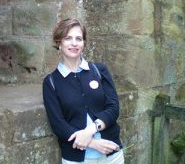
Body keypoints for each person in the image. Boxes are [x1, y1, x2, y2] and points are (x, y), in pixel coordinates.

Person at [43, 18, 124, 164]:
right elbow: (58, 124)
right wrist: (92, 143)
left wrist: (90, 130)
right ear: (58, 43)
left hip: (112, 155)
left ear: (83, 43)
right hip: (77, 160)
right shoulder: (51, 82)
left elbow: (113, 107)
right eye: (68, 38)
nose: (74, 43)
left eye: (79, 39)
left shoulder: (99, 70)